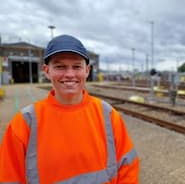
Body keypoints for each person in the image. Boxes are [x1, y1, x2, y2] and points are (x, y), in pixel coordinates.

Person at [0, 34, 139, 184]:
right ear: (47, 71)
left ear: (87, 70)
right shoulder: (25, 123)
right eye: (60, 66)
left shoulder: (108, 115)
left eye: (77, 66)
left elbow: (128, 168)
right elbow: (9, 178)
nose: (69, 74)